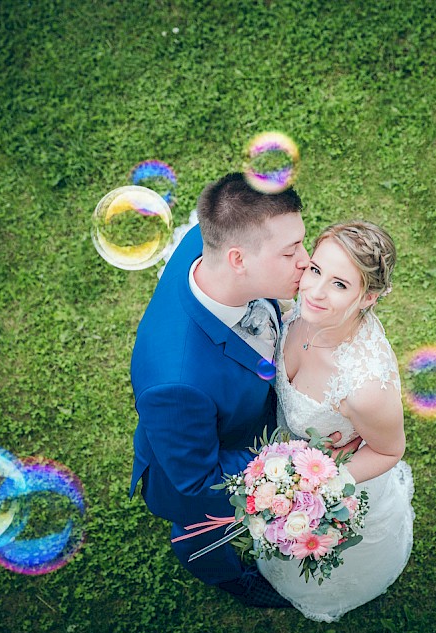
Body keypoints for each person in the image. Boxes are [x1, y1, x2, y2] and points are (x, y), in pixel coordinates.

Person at [129, 172, 309, 607]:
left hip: (241, 414)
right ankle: (230, 579)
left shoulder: (204, 242)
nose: (306, 260)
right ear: (238, 260)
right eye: (290, 253)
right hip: (200, 470)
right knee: (203, 535)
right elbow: (197, 483)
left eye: (302, 242)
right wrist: (291, 463)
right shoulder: (176, 384)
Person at [258, 220, 414, 622]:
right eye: (315, 270)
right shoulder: (297, 312)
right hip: (285, 458)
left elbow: (389, 450)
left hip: (321, 478)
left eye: (340, 285)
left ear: (369, 297)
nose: (314, 291)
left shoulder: (364, 387)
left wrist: (318, 484)